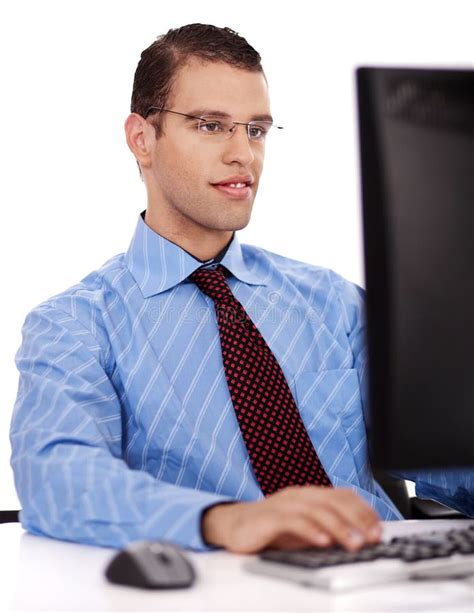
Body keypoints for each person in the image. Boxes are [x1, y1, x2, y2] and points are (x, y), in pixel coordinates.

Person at [10, 23, 473, 555]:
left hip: (385, 574)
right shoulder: (76, 325)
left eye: (255, 130)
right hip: (223, 588)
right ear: (142, 139)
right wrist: (227, 521)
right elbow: (57, 481)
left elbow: (441, 455)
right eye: (211, 126)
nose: (243, 155)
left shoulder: (336, 304)